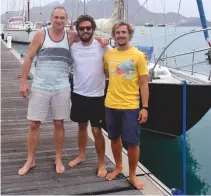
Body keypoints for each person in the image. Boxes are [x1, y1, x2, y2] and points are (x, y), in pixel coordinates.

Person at [103, 21, 149, 189]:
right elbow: (107, 74)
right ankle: (118, 167)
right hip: (111, 103)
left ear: (129, 35)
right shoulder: (108, 55)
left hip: (130, 106)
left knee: (132, 143)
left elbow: (144, 83)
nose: (121, 35)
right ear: (114, 35)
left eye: (124, 32)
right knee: (114, 138)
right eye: (117, 32)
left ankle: (132, 175)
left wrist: (145, 107)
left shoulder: (138, 56)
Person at [68, 15, 112, 177]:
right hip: (79, 94)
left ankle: (102, 163)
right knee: (81, 127)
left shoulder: (102, 46)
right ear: (78, 30)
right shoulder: (73, 47)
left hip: (97, 96)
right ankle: (81, 155)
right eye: (82, 28)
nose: (85, 31)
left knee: (96, 130)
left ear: (93, 29)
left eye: (88, 28)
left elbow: (117, 59)